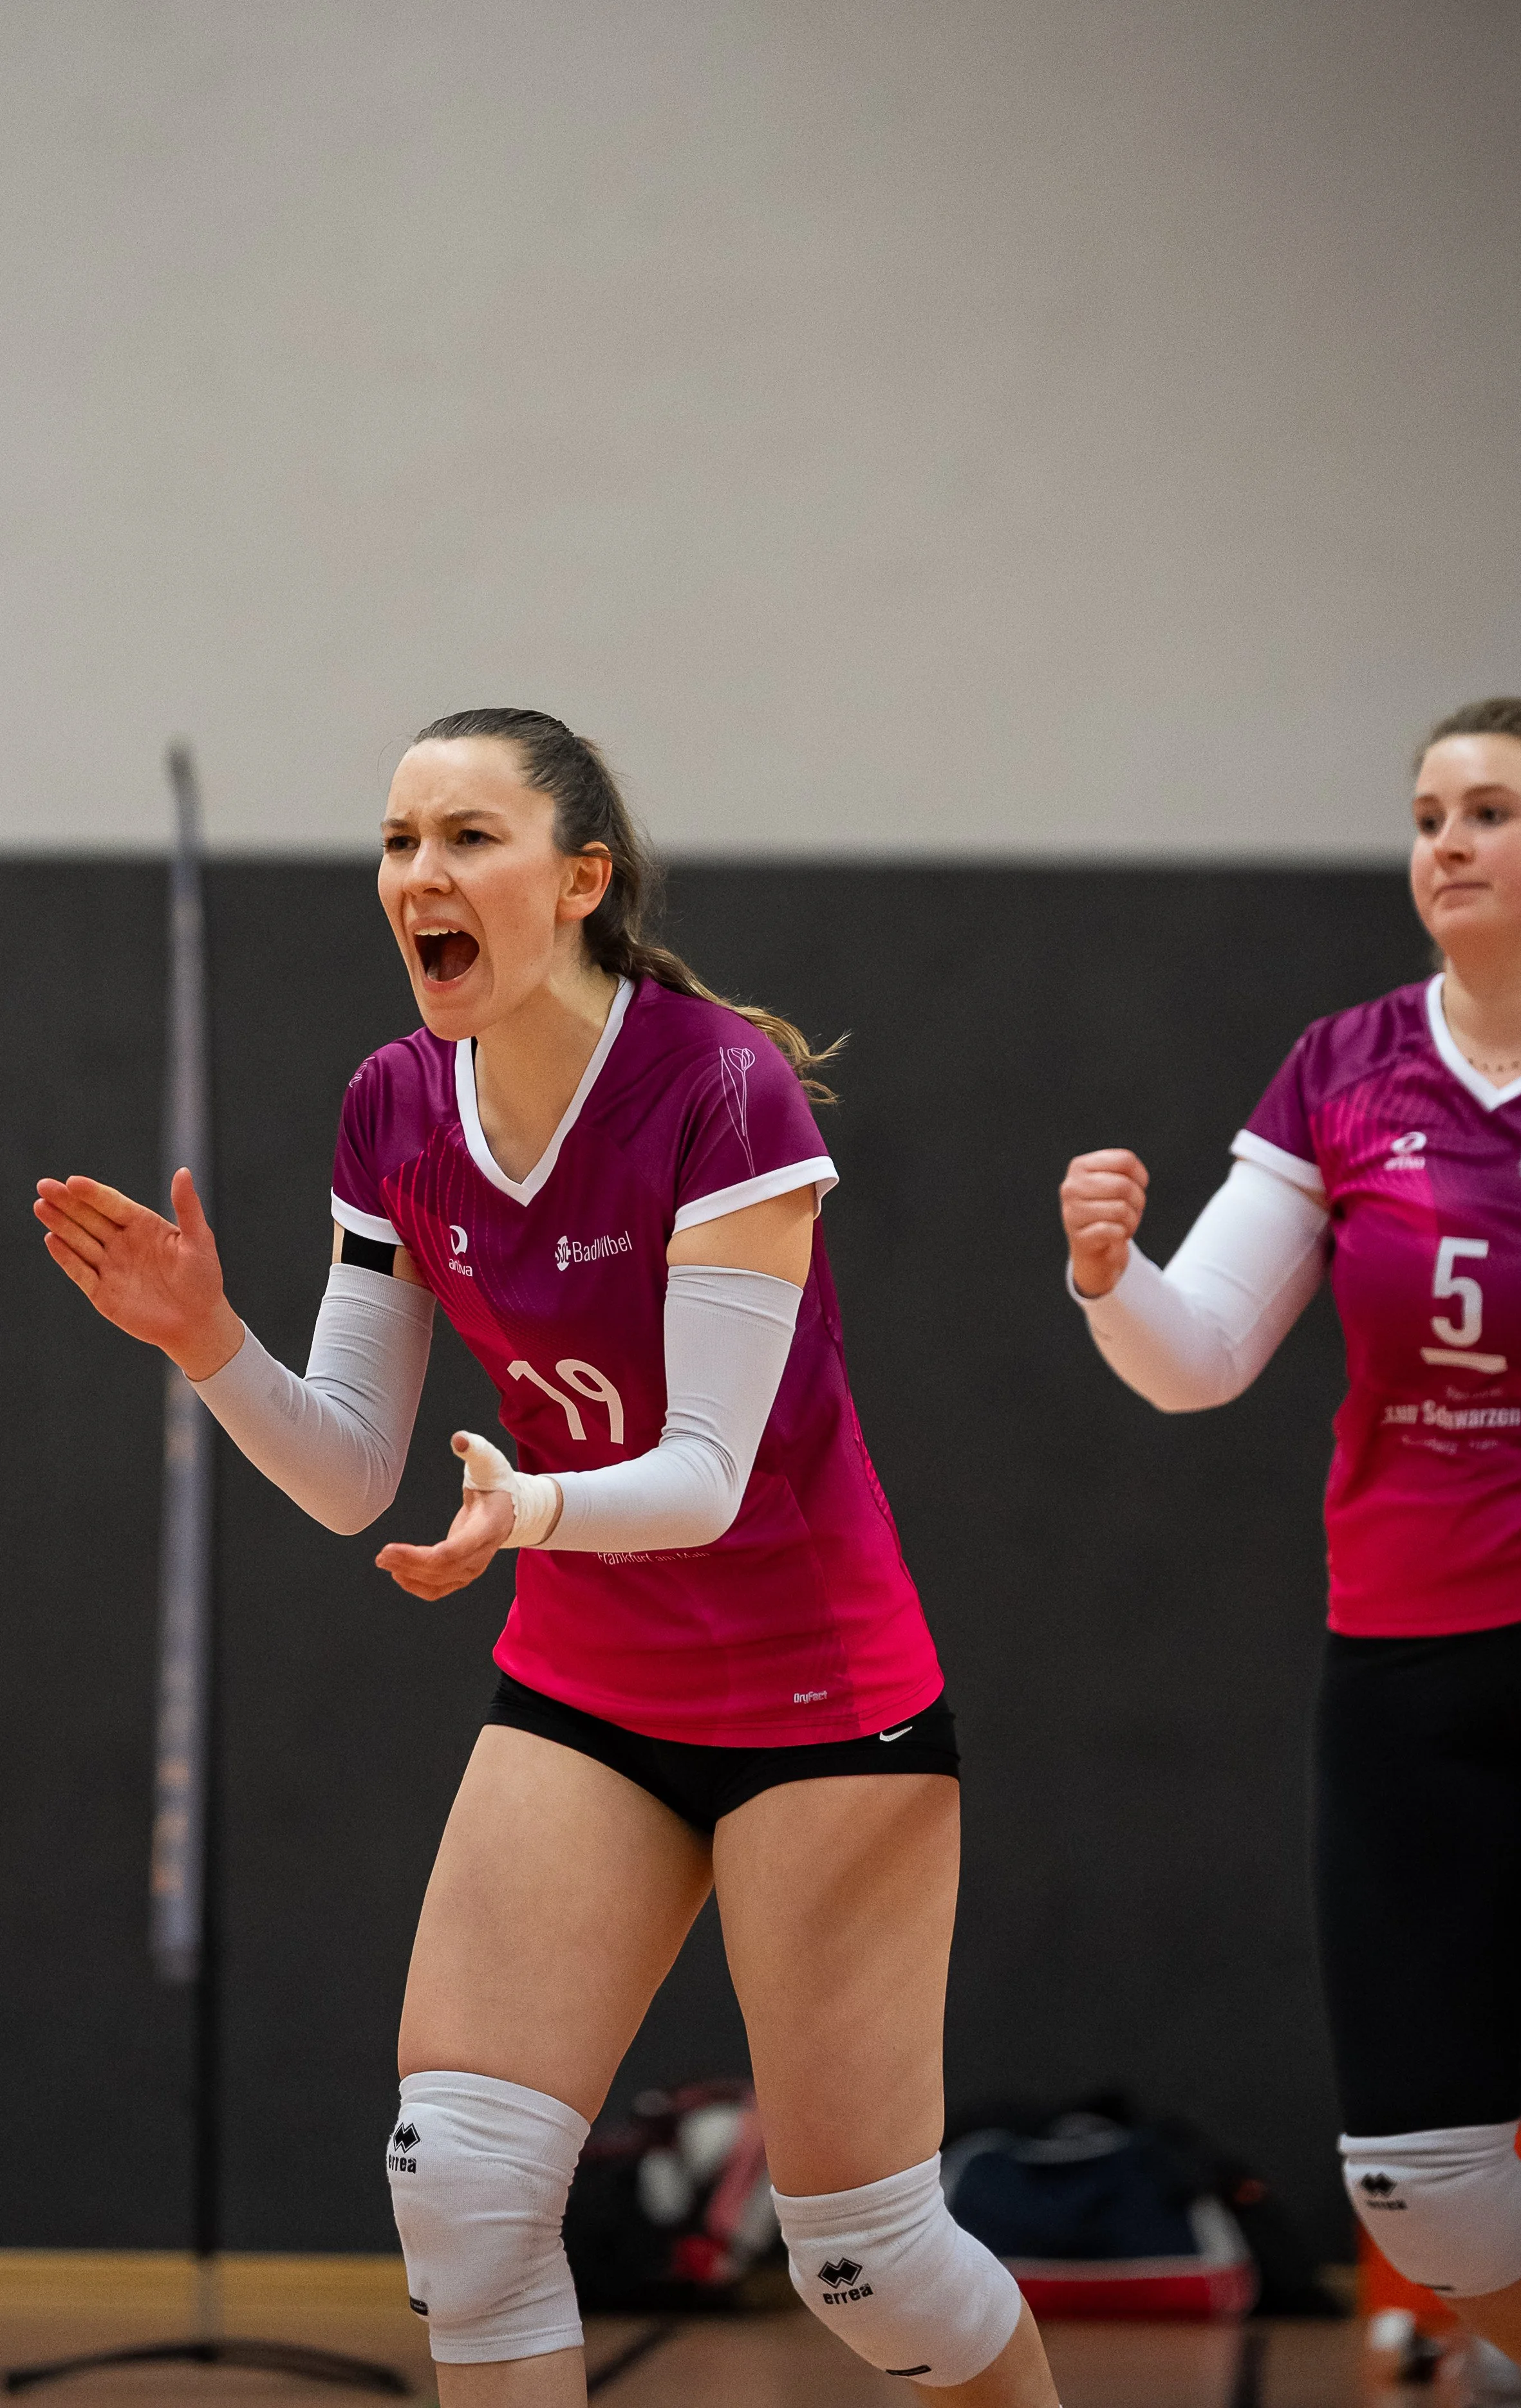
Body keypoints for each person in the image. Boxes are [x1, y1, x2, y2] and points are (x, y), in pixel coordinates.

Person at [36, 709, 1059, 2408]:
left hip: (824, 1706)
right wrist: (206, 1336)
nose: (417, 875)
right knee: (465, 2185)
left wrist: (537, 1508)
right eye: (396, 841)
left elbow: (710, 1476)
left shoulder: (712, 1082)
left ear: (579, 879)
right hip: (586, 1693)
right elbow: (355, 1472)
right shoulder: (394, 1105)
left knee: (863, 2254)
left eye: (467, 838)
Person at [1058, 696, 1521, 2406]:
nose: (1443, 841)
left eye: (1488, 811)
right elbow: (1201, 1353)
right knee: (1419, 2186)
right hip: (1402, 1663)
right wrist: (1109, 1281)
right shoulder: (1346, 1064)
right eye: (1425, 811)